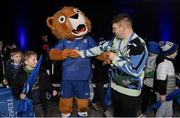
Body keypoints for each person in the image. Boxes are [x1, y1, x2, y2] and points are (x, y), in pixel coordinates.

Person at [77, 13, 148, 117]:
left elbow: (135, 71)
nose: (112, 31)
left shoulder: (138, 45)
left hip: (130, 93)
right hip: (115, 88)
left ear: (122, 27)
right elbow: (100, 48)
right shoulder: (116, 40)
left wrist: (115, 59)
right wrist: (81, 53)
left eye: (114, 28)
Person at [12, 51, 57, 117]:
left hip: (40, 103)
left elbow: (47, 83)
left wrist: (52, 89)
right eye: (34, 60)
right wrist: (19, 95)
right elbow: (14, 89)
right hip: (28, 104)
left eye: (36, 59)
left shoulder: (41, 71)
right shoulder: (20, 75)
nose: (36, 61)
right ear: (26, 62)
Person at [154, 41, 178, 117]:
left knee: (168, 111)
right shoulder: (163, 63)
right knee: (161, 111)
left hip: (169, 92)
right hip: (163, 93)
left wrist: (174, 87)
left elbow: (169, 78)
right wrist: (162, 94)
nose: (177, 53)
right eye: (176, 52)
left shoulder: (169, 62)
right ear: (170, 52)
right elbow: (161, 80)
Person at [141, 41, 159, 115]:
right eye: (149, 50)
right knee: (144, 99)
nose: (150, 52)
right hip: (146, 83)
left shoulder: (158, 58)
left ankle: (156, 114)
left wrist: (145, 74)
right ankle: (142, 113)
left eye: (151, 51)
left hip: (154, 84)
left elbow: (156, 72)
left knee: (155, 100)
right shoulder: (147, 57)